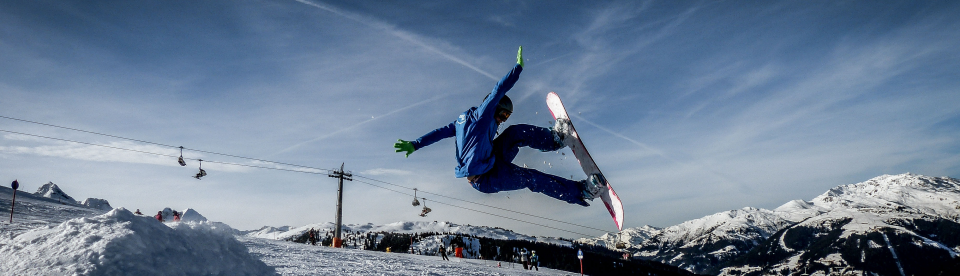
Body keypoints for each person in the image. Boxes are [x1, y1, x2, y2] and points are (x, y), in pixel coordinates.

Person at [394, 47, 604, 206]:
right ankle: (582, 192)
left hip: (491, 158)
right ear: (494, 109)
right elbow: (497, 90)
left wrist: (415, 144)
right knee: (530, 178)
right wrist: (517, 68)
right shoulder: (482, 115)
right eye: (503, 114)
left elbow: (439, 133)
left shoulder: (463, 121)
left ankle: (555, 138)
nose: (503, 119)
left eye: (508, 115)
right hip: (485, 178)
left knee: (514, 132)